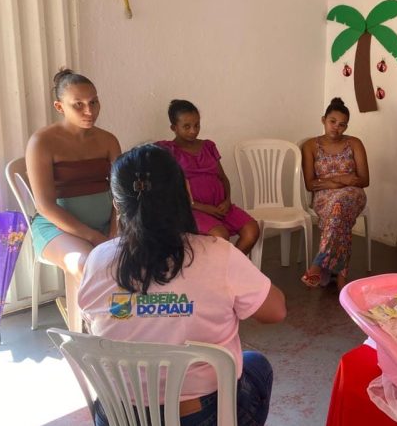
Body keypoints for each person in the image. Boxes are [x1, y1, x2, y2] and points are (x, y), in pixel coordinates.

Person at [79, 144, 286, 426]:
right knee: (256, 365)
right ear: (186, 194)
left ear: (117, 204)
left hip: (118, 415)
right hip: (201, 416)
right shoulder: (218, 254)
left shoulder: (97, 259)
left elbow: (93, 325)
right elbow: (276, 311)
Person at [25, 68, 121, 332]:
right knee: (87, 262)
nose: (89, 111)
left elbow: (119, 194)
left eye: (93, 102)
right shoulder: (41, 142)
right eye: (78, 105)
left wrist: (114, 230)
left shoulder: (108, 140)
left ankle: (125, 324)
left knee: (144, 253)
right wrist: (93, 236)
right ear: (59, 106)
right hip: (55, 228)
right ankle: (99, 329)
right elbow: (44, 205)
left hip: (104, 227)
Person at [157, 99, 260, 255]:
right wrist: (202, 207)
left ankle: (230, 271)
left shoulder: (208, 146)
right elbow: (170, 190)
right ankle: (222, 274)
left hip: (220, 207)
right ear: (174, 127)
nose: (193, 130)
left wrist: (227, 200)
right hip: (191, 210)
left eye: (197, 125)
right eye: (187, 126)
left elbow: (223, 178)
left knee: (252, 230)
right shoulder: (168, 151)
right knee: (220, 236)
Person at [301, 98, 369, 289]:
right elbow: (310, 184)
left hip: (353, 195)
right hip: (323, 197)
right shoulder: (310, 146)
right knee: (339, 215)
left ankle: (317, 265)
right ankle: (341, 276)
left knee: (340, 205)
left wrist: (342, 184)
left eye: (342, 125)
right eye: (332, 121)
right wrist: (342, 180)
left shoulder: (354, 143)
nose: (336, 128)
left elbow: (364, 180)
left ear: (347, 126)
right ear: (323, 120)